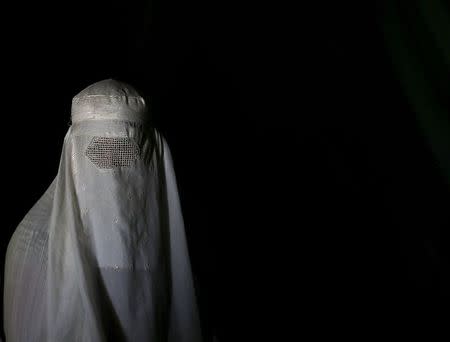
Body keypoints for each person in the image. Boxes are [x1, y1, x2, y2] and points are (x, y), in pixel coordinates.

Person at [3, 79, 202, 342]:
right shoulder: (33, 244)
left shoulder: (181, 245)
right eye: (98, 152)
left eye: (127, 153)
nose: (114, 170)